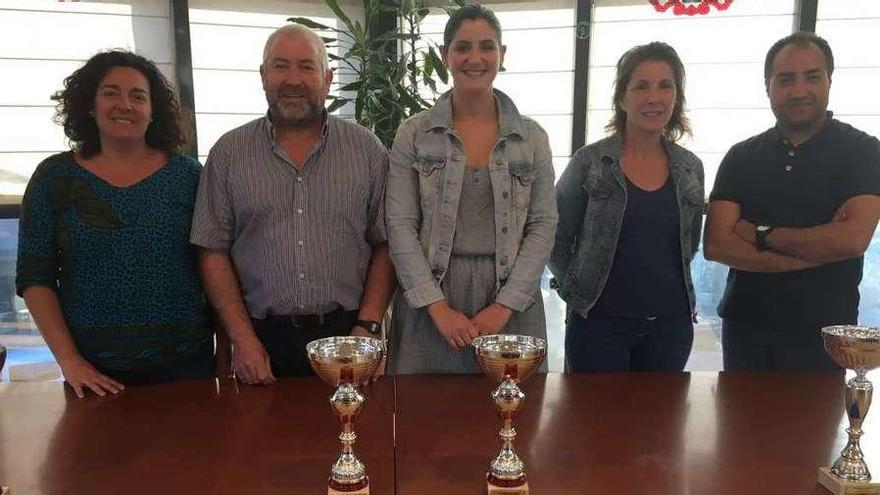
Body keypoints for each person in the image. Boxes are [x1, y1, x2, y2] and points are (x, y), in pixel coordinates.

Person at [190, 24, 394, 383]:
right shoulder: (228, 153)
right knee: (264, 439)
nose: (293, 79)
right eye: (280, 66)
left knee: (356, 438)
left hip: (349, 333)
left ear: (328, 78)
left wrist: (370, 326)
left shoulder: (367, 151)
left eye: (307, 66)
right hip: (262, 341)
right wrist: (242, 340)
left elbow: (387, 243)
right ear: (264, 75)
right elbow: (212, 251)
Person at [16, 50, 214, 397]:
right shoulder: (54, 178)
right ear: (89, 105)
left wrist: (229, 344)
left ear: (153, 111)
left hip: (187, 366)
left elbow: (214, 264)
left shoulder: (188, 176)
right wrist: (69, 360)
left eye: (138, 96)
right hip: (92, 372)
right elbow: (35, 276)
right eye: (111, 93)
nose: (125, 104)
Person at [385, 4, 557, 374]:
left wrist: (503, 307)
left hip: (511, 299)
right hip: (431, 301)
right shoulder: (414, 134)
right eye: (462, 47)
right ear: (445, 55)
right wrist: (437, 307)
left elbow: (543, 226)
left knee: (511, 421)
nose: (474, 58)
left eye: (486, 46)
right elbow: (399, 224)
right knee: (427, 421)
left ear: (502, 55)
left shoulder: (532, 138)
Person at [704, 32, 880, 371]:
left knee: (815, 426)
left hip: (827, 333)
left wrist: (758, 234)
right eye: (785, 80)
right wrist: (806, 255)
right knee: (741, 424)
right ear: (767, 86)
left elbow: (852, 239)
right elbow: (717, 244)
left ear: (829, 79)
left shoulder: (864, 151)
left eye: (811, 77)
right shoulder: (741, 157)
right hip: (747, 328)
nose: (799, 91)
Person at [550, 42, 704, 372]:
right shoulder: (589, 163)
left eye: (666, 85)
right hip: (598, 327)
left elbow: (689, 245)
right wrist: (576, 293)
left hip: (669, 328)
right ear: (622, 98)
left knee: (661, 423)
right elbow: (554, 238)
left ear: (676, 96)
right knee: (595, 422)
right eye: (641, 86)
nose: (654, 97)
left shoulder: (690, 167)